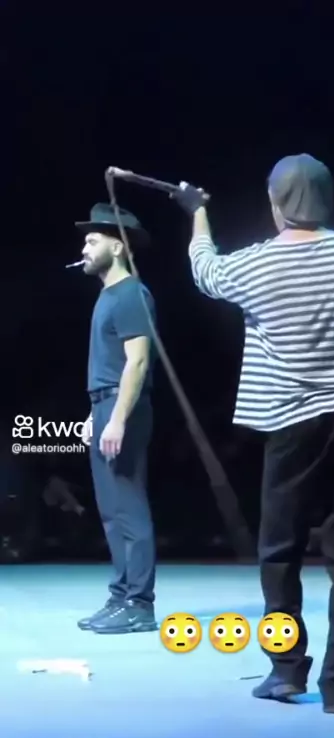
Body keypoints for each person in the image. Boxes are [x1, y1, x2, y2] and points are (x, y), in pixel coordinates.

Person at [171, 155, 334, 713]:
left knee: (280, 548)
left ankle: (285, 671)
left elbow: (206, 271)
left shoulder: (260, 263)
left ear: (275, 203)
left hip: (292, 422)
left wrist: (197, 213)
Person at [75, 203, 158, 634]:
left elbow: (137, 361)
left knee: (128, 507)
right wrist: (97, 413)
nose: (84, 249)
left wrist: (118, 418)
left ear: (118, 246)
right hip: (105, 403)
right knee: (111, 510)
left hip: (122, 406)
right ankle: (121, 594)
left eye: (92, 241)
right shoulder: (108, 295)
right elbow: (110, 364)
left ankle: (139, 604)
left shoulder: (130, 294)